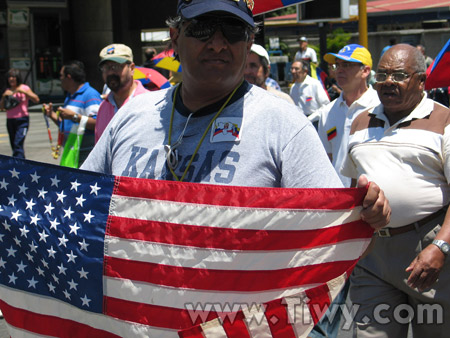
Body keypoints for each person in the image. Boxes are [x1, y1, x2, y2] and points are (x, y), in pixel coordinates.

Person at [81, 3, 390, 335]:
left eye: (232, 30)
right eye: (202, 28)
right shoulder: (130, 116)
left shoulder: (283, 124)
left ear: (249, 39)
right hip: (132, 322)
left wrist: (368, 215)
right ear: (175, 36)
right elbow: (79, 207)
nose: (217, 43)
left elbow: (339, 240)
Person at [341, 43, 450, 337]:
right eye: (382, 74)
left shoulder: (444, 120)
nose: (388, 81)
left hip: (428, 250)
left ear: (421, 81)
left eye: (399, 75)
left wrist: (440, 246)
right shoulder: (359, 121)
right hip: (372, 254)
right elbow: (351, 185)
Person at [318, 44, 380, 187]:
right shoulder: (327, 112)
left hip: (373, 196)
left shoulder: (380, 107)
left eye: (346, 65)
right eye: (337, 65)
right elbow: (326, 159)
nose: (339, 70)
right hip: (338, 197)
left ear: (365, 71)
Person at [43, 60, 101, 166]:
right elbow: (65, 124)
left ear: (68, 77)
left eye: (61, 76)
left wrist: (74, 116)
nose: (60, 79)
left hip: (85, 156)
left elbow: (99, 124)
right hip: (72, 152)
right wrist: (51, 114)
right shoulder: (70, 96)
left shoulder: (90, 95)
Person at [95, 43, 149, 143]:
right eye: (106, 68)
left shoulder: (149, 103)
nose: (110, 73)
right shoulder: (103, 108)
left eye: (116, 67)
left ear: (132, 68)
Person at [0, 68, 40, 158]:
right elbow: (2, 107)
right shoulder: (7, 90)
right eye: (9, 77)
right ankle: (21, 162)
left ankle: (18, 163)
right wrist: (3, 97)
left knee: (18, 142)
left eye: (13, 77)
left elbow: (36, 99)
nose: (11, 79)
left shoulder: (24, 88)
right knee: (14, 144)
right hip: (10, 120)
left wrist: (24, 92)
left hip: (22, 119)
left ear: (17, 78)